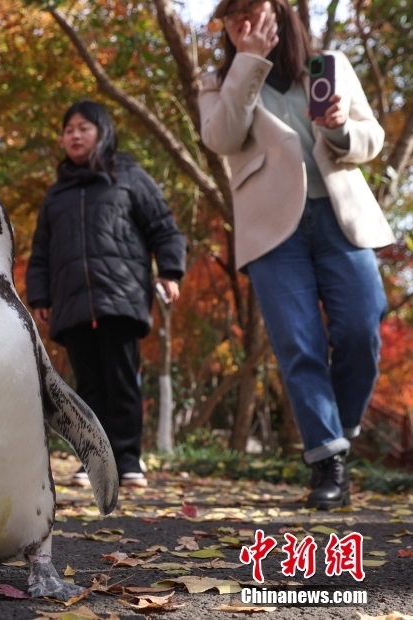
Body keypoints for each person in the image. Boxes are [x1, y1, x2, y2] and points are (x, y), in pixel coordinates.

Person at [200, 0, 393, 509]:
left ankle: (338, 430)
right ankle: (328, 463)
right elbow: (221, 137)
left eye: (254, 7)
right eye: (233, 13)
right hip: (272, 231)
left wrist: (338, 128)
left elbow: (372, 136)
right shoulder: (218, 82)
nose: (245, 19)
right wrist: (248, 62)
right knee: (299, 345)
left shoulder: (329, 64)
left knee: (361, 326)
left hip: (339, 217)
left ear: (280, 11)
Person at [26, 100, 187, 489]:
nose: (75, 135)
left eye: (84, 127)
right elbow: (41, 251)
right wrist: (40, 297)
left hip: (122, 296)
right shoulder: (56, 195)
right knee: (88, 386)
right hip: (73, 302)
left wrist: (169, 271)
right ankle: (92, 461)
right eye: (69, 130)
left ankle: (129, 459)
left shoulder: (129, 177)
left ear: (103, 132)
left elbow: (163, 227)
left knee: (122, 380)